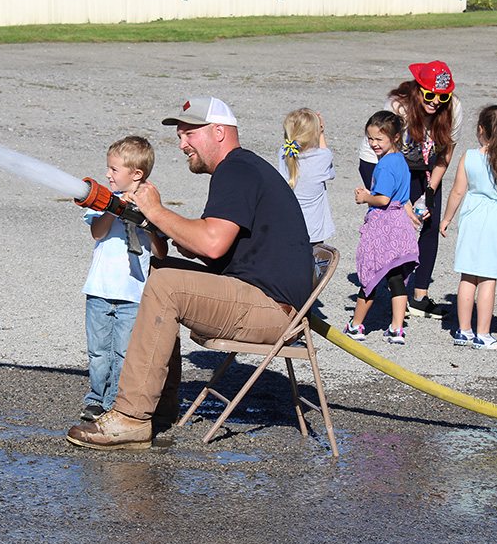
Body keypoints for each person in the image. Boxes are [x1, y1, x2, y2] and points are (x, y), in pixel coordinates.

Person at [66, 96, 314, 450]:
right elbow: (222, 247)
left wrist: (156, 210)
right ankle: (160, 407)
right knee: (161, 269)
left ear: (218, 132)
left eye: (189, 134)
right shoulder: (243, 169)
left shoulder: (236, 169)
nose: (182, 144)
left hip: (273, 311)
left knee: (167, 285)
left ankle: (131, 417)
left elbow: (212, 244)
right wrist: (178, 233)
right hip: (260, 297)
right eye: (180, 135)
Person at [358, 61, 462, 319]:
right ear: (417, 90)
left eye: (442, 96)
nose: (435, 101)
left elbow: (445, 155)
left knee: (428, 224)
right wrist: (403, 203)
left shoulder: (454, 108)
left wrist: (428, 192)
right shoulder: (398, 108)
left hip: (425, 167)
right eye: (429, 94)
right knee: (394, 223)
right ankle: (389, 281)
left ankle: (419, 296)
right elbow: (383, 161)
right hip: (385, 165)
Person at [79, 136, 167, 421]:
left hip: (133, 293)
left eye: (114, 170)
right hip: (100, 289)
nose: (108, 174)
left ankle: (116, 401)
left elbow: (161, 252)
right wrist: (116, 208)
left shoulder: (151, 201)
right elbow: (98, 232)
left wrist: (145, 219)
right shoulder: (105, 199)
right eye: (108, 168)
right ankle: (95, 399)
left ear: (136, 174)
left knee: (124, 352)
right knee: (98, 351)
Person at [439, 106, 497, 350]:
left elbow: (458, 191)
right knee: (488, 279)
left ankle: (464, 330)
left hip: (473, 218)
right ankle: (483, 334)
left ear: (481, 129)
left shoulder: (469, 156)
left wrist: (447, 218)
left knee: (468, 275)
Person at [345, 111, 419, 345]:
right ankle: (397, 328)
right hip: (400, 225)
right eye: (370, 138)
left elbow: (384, 199)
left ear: (395, 137)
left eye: (379, 139)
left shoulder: (385, 166)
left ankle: (356, 325)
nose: (373, 144)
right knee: (395, 276)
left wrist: (366, 198)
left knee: (370, 275)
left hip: (383, 226)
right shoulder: (400, 160)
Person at [277, 108, 336, 244]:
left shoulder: (283, 153)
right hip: (313, 229)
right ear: (315, 133)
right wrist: (322, 133)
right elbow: (331, 173)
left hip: (289, 225)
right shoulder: (323, 157)